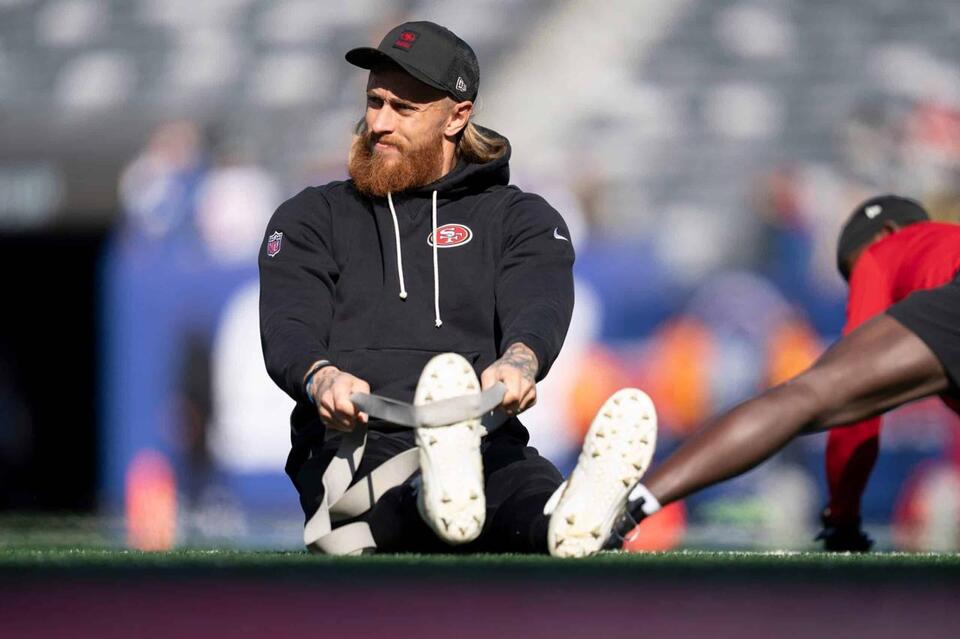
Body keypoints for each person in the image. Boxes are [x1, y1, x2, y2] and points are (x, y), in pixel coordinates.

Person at [258, 21, 655, 556]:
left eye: (403, 109)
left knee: (540, 515)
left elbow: (538, 300)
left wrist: (519, 361)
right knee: (380, 517)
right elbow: (288, 323)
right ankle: (434, 493)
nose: (379, 123)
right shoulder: (311, 217)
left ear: (457, 116)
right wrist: (321, 376)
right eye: (374, 102)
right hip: (357, 444)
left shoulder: (521, 219)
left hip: (484, 437)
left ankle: (572, 512)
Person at [603, 195, 960, 552]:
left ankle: (625, 506)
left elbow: (822, 407)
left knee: (805, 398)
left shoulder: (917, 270)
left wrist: (843, 517)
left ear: (888, 235)